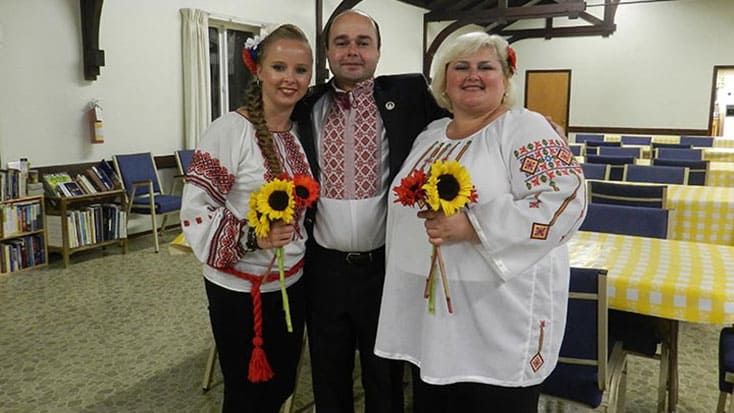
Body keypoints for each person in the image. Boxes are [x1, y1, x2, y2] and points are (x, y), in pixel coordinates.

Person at [374, 32, 587, 412]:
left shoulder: (526, 128)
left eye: (486, 67)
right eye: (461, 67)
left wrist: (473, 227)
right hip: (435, 323)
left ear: (505, 79)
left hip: (498, 321)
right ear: (443, 81)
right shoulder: (430, 136)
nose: (473, 75)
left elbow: (565, 201)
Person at [292, 9, 447, 413]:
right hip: (323, 269)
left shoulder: (412, 96)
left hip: (386, 267)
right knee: (328, 373)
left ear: (379, 51)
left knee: (385, 374)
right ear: (326, 51)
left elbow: (471, 111)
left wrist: (527, 120)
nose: (352, 51)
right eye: (341, 42)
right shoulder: (305, 105)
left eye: (363, 42)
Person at [180, 24, 314, 413]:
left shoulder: (298, 133)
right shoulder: (230, 131)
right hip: (240, 293)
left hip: (292, 284)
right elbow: (195, 212)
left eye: (301, 70)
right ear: (257, 70)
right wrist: (253, 236)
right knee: (246, 396)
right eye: (279, 67)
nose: (290, 79)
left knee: (282, 385)